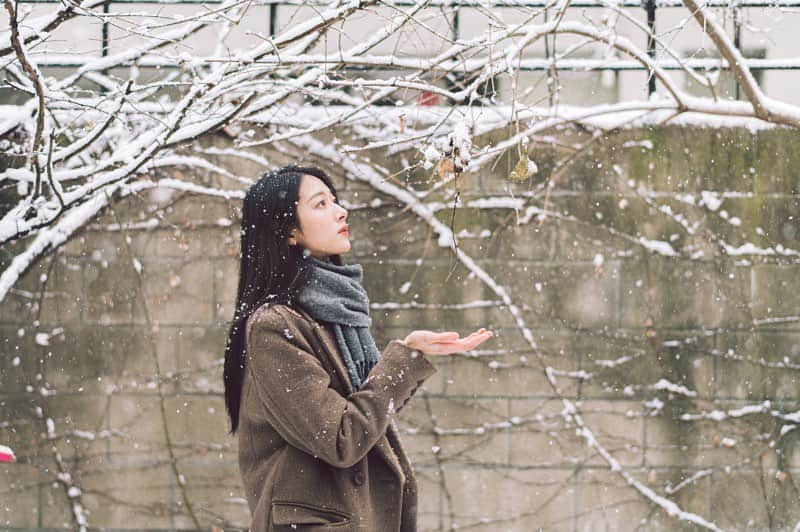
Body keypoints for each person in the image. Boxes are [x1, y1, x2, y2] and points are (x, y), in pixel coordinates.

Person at [223, 164, 494, 531]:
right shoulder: (274, 327)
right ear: (287, 230)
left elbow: (363, 414)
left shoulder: (332, 312)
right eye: (320, 204)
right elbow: (341, 437)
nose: (340, 211)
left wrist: (410, 355)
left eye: (335, 200)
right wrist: (400, 361)